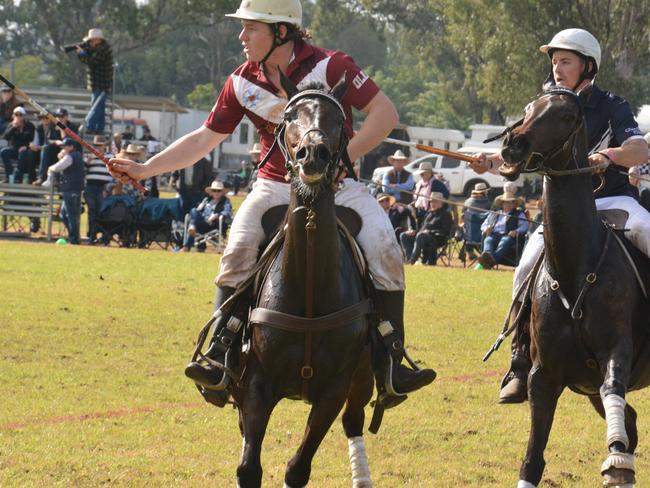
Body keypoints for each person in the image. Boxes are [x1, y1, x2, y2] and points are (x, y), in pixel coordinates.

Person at [109, 0, 435, 401]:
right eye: (243, 29)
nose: (241, 37)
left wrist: (340, 160)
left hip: (339, 185)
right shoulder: (241, 83)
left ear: (281, 31)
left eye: (251, 29)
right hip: (274, 185)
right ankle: (220, 356)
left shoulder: (332, 67)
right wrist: (144, 170)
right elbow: (203, 139)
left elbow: (384, 114)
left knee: (387, 251)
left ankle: (391, 363)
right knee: (238, 250)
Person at [468, 28, 650, 403]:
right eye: (554, 61)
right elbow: (521, 152)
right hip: (564, 215)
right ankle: (520, 360)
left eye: (565, 61)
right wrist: (490, 161)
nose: (557, 68)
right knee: (524, 268)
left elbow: (638, 149)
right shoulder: (545, 105)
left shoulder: (612, 104)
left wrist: (608, 156)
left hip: (614, 203)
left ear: (588, 66)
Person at [46, 138, 85, 244]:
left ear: (71, 147)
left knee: (71, 215)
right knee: (64, 214)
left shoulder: (70, 157)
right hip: (73, 189)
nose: (64, 148)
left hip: (70, 189)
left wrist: (49, 169)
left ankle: (74, 239)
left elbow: (56, 167)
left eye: (66, 146)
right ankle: (73, 236)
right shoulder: (77, 155)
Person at [478, 191, 528, 269]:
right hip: (494, 235)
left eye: (510, 202)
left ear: (514, 204)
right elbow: (484, 225)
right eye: (506, 202)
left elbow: (524, 226)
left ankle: (491, 262)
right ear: (502, 204)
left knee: (505, 241)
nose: (508, 204)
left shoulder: (519, 214)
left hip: (508, 236)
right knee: (488, 240)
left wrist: (516, 231)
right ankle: (487, 256)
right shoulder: (495, 214)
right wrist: (486, 228)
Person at [76, 28, 113, 135]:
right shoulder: (98, 49)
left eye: (92, 40)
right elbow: (88, 61)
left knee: (95, 106)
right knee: (99, 108)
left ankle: (90, 126)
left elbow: (92, 62)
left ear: (98, 40)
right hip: (98, 84)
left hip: (102, 84)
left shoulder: (103, 49)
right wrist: (82, 54)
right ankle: (99, 130)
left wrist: (83, 53)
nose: (90, 43)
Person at [400, 192, 451, 265]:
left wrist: (430, 232)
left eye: (435, 201)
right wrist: (414, 231)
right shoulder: (429, 213)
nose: (432, 204)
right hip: (421, 236)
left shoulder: (446, 214)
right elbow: (422, 227)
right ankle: (409, 258)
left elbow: (445, 231)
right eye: (431, 202)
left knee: (421, 236)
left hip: (437, 238)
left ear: (441, 203)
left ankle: (412, 261)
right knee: (404, 235)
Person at [182, 180, 233, 252]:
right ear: (211, 192)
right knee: (193, 211)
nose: (216, 192)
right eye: (214, 190)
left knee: (193, 224)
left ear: (222, 192)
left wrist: (216, 216)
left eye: (219, 191)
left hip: (214, 225)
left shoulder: (226, 201)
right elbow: (198, 210)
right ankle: (192, 227)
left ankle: (187, 246)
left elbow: (227, 213)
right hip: (202, 222)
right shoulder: (206, 200)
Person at [33, 108, 80, 185]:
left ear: (66, 117)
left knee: (64, 153)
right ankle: (42, 177)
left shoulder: (73, 127)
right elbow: (47, 140)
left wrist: (63, 130)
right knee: (45, 148)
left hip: (67, 150)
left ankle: (58, 179)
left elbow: (73, 143)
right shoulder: (52, 125)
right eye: (58, 116)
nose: (59, 119)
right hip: (54, 149)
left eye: (62, 116)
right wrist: (55, 141)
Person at [85, 135, 114, 244]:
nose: (98, 147)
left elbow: (114, 173)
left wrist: (108, 188)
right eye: (96, 145)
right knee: (92, 212)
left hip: (104, 188)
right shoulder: (88, 155)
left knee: (103, 212)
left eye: (100, 145)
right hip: (90, 186)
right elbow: (83, 169)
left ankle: (105, 237)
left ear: (104, 146)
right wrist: (89, 160)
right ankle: (91, 236)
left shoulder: (110, 156)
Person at [1, 106, 35, 183]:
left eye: (21, 115)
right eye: (16, 114)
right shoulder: (11, 125)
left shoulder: (30, 126)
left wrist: (26, 146)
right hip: (14, 149)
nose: (18, 117)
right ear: (13, 116)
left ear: (24, 116)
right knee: (3, 152)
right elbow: (5, 137)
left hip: (25, 150)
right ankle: (9, 175)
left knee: (23, 153)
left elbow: (32, 139)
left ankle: (18, 178)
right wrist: (13, 127)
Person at [411, 161, 449, 226]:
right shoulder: (420, 184)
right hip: (418, 210)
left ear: (429, 173)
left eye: (423, 173)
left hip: (430, 212)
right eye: (421, 174)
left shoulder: (436, 184)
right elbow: (416, 198)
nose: (421, 175)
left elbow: (446, 196)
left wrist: (433, 207)